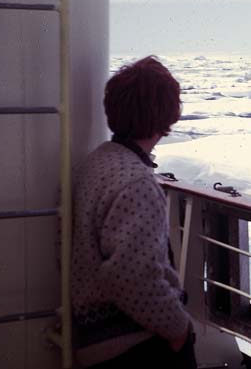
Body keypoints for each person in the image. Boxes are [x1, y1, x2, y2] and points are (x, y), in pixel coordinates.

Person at [71, 56, 196, 368]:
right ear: (166, 114)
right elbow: (132, 277)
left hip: (92, 338)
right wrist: (179, 329)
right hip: (134, 346)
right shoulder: (136, 183)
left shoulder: (96, 163)